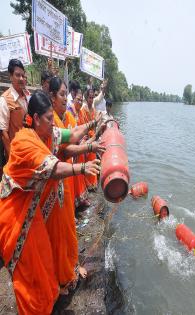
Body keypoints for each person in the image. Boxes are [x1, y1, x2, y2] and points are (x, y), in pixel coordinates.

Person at [0, 90, 100, 314]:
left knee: (45, 267)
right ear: (35, 119)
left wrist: (95, 122)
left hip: (30, 212)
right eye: (48, 118)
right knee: (32, 280)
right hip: (14, 219)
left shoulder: (45, 134)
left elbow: (71, 135)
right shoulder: (24, 142)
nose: (52, 123)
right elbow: (54, 169)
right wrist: (81, 167)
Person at [48, 77, 105, 293]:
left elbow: (71, 137)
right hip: (54, 181)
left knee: (68, 226)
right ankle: (63, 275)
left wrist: (92, 129)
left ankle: (69, 268)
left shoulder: (65, 118)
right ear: (52, 97)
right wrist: (84, 160)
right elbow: (64, 151)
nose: (66, 98)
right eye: (62, 94)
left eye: (66, 94)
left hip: (63, 181)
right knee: (60, 230)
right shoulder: (49, 121)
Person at [0, 59, 31, 158]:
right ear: (10, 77)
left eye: (23, 75)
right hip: (16, 154)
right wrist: (11, 158)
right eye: (17, 75)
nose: (21, 78)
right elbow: (4, 133)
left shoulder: (28, 95)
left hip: (30, 149)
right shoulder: (5, 99)